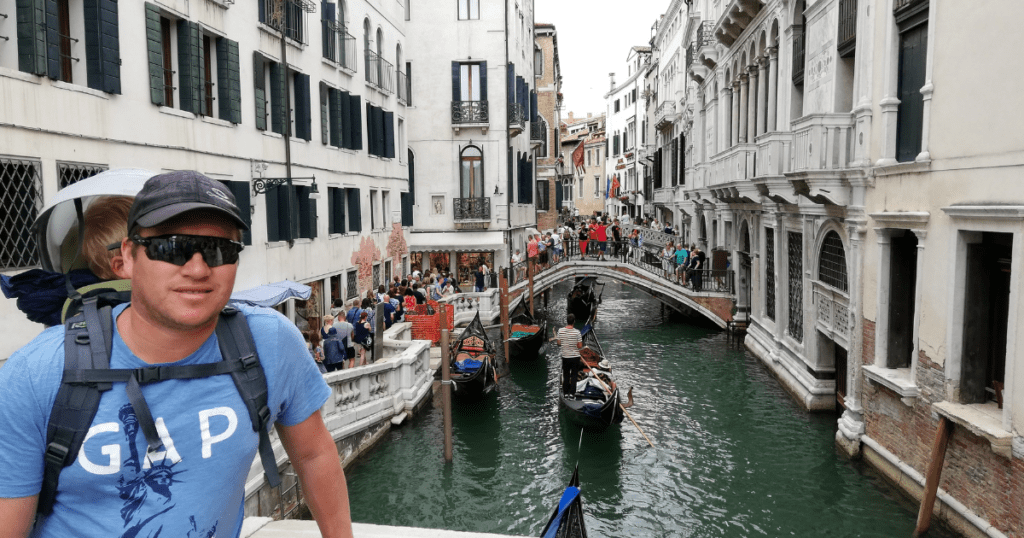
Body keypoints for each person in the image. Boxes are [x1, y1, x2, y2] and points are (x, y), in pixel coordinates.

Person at [0, 171, 354, 537]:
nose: (198, 269)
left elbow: (314, 455)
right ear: (128, 257)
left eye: (219, 250)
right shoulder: (35, 373)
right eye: (170, 248)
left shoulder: (271, 342)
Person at [552, 313, 584, 396]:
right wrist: (574, 344)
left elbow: (559, 343)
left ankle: (566, 393)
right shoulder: (577, 332)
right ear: (574, 322)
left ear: (567, 321)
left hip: (565, 357)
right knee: (574, 375)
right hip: (575, 357)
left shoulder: (560, 331)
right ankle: (572, 394)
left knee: (566, 375)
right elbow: (580, 346)